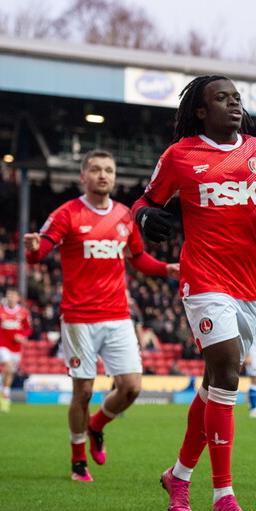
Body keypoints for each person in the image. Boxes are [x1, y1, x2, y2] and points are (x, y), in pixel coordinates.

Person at [132, 75, 256, 511]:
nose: (233, 104)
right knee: (227, 371)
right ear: (202, 111)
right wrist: (148, 216)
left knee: (214, 386)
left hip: (247, 286)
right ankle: (224, 495)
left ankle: (179, 475)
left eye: (237, 98)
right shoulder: (180, 155)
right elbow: (141, 204)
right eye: (222, 98)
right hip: (203, 280)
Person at [23, 149, 179, 482]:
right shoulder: (66, 213)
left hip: (118, 316)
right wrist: (33, 248)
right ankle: (78, 459)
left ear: (114, 175)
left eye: (108, 169)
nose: (103, 175)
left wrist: (168, 269)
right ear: (83, 176)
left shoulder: (124, 215)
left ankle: (97, 425)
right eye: (95, 169)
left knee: (132, 388)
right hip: (78, 319)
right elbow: (40, 253)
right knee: (82, 392)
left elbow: (137, 259)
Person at [0, 288, 32, 412]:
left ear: (18, 298)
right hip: (2, 345)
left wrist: (22, 335)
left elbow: (28, 328)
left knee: (9, 372)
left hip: (16, 347)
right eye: (9, 295)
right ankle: (5, 396)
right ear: (6, 297)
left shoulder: (24, 312)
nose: (11, 297)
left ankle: (3, 390)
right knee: (8, 368)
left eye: (14, 295)